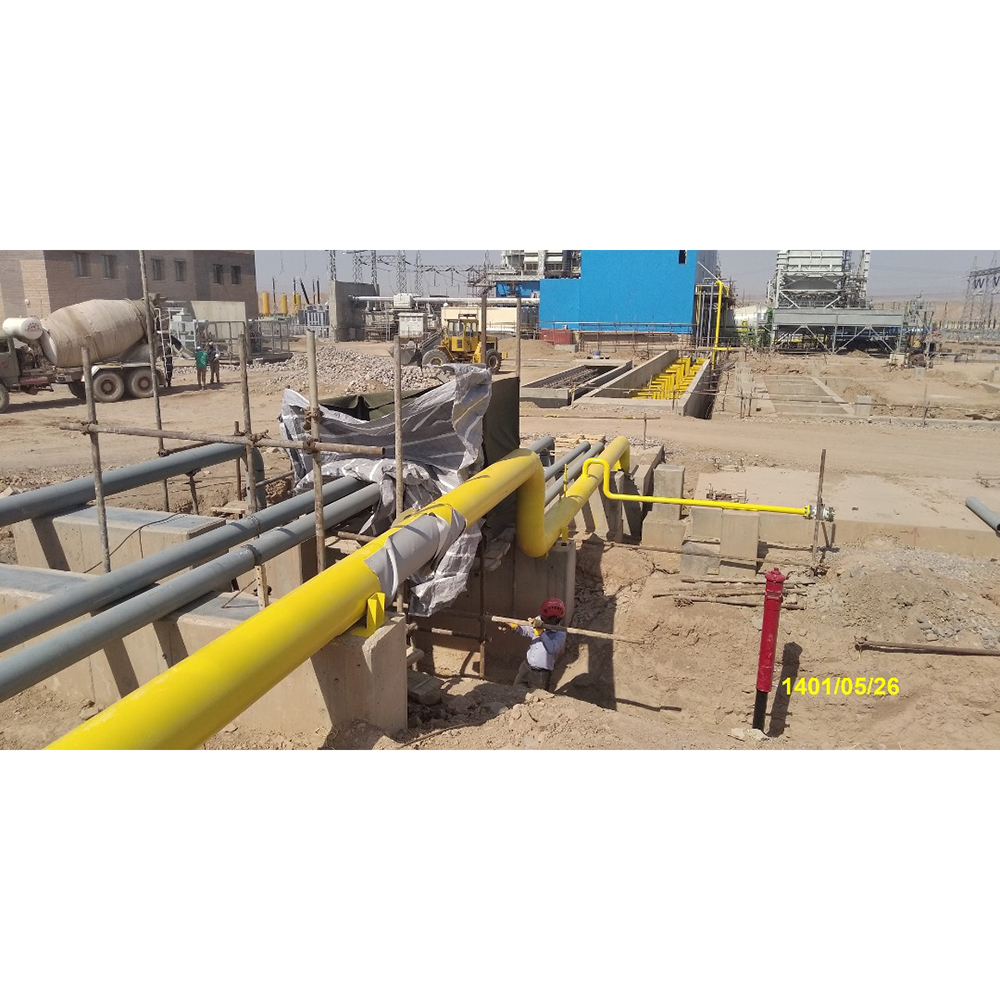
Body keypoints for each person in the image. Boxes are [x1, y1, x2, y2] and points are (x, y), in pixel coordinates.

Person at [506, 597, 567, 692]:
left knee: (535, 697)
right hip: (526, 667)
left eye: (545, 619)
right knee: (516, 692)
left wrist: (541, 633)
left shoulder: (560, 633)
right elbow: (528, 631)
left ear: (556, 619)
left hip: (541, 675)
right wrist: (516, 628)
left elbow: (552, 649)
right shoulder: (539, 620)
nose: (542, 620)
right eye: (542, 617)